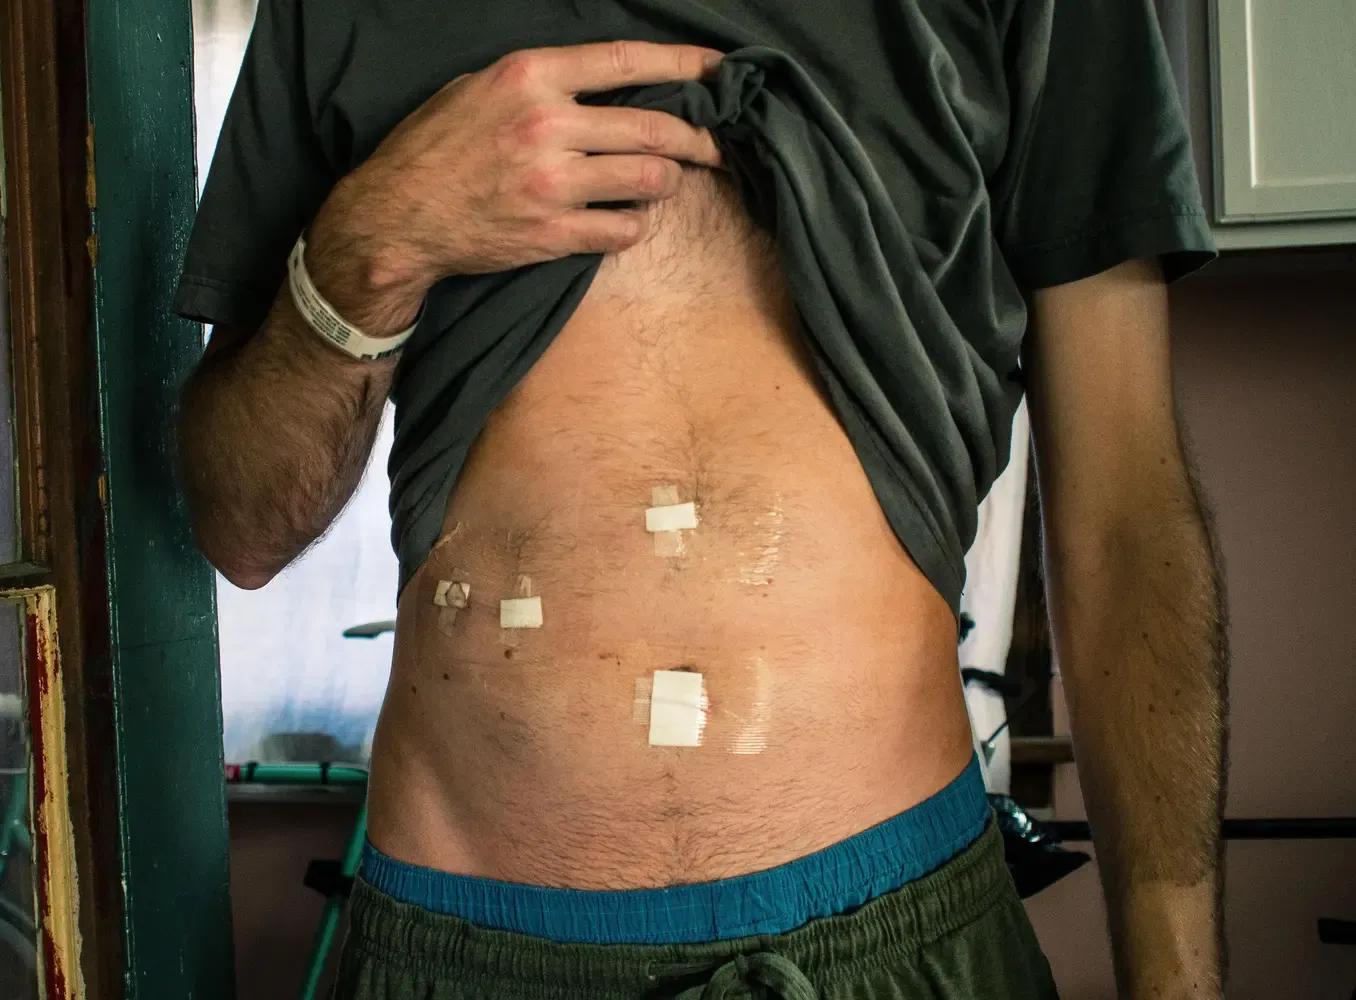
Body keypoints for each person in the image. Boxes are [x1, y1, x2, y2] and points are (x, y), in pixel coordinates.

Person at [174, 0, 1228, 996]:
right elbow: (243, 527)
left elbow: (1125, 524)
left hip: (899, 933)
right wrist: (372, 247)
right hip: (461, 949)